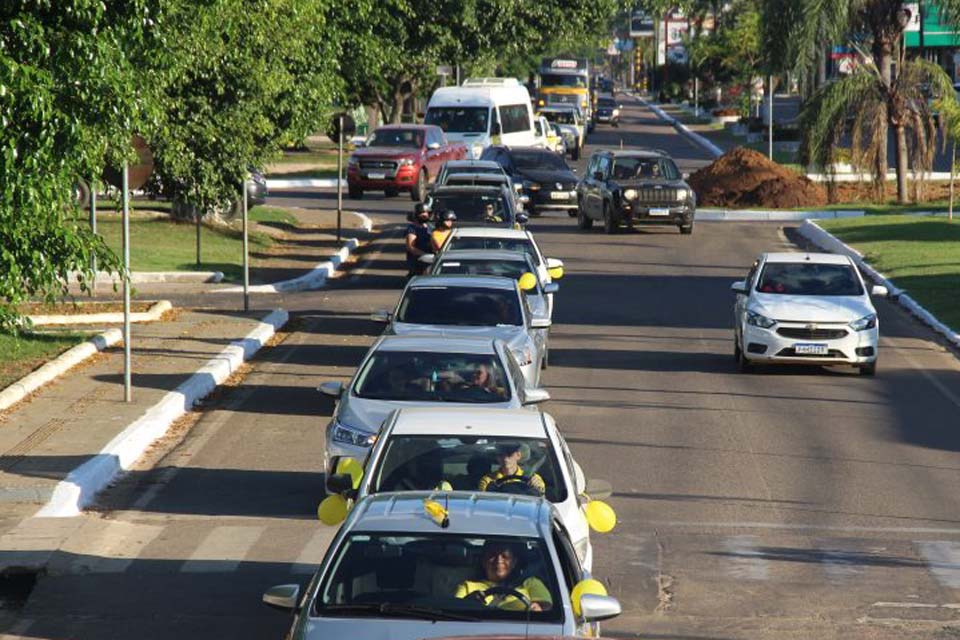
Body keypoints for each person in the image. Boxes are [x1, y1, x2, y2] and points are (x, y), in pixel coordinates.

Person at [455, 541, 552, 611]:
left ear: (514, 562)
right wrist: (468, 603)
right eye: (492, 555)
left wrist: (537, 608)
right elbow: (455, 611)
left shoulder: (531, 582)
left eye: (505, 556)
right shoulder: (468, 586)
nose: (499, 561)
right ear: (484, 561)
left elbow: (547, 608)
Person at [478, 442, 545, 495]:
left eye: (509, 455)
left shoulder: (533, 478)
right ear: (497, 457)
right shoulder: (487, 480)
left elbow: (541, 500)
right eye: (501, 455)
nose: (505, 459)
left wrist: (536, 488)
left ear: (518, 455)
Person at [406, 202, 433, 276]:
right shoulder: (412, 228)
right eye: (422, 212)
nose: (425, 215)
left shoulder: (430, 226)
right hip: (418, 262)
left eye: (427, 212)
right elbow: (410, 247)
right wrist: (425, 255)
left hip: (430, 260)